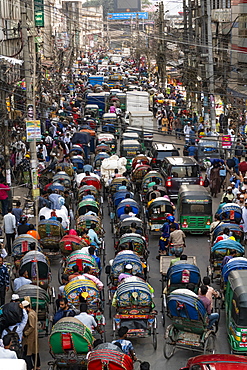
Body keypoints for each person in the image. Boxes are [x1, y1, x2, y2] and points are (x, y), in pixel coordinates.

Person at [22, 300, 41, 370]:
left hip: (30, 336)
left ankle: (31, 367)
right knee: (34, 351)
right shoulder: (33, 312)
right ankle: (37, 365)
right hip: (33, 335)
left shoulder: (30, 315)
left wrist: (25, 333)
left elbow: (32, 326)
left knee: (28, 353)